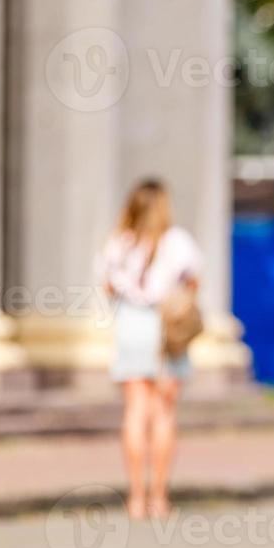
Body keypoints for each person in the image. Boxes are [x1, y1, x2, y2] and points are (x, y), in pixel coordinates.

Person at [96, 179, 203, 519]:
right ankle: (159, 497)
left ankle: (135, 498)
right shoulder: (178, 241)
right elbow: (193, 283)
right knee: (163, 414)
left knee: (134, 412)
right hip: (164, 327)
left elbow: (109, 288)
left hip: (131, 324)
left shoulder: (118, 244)